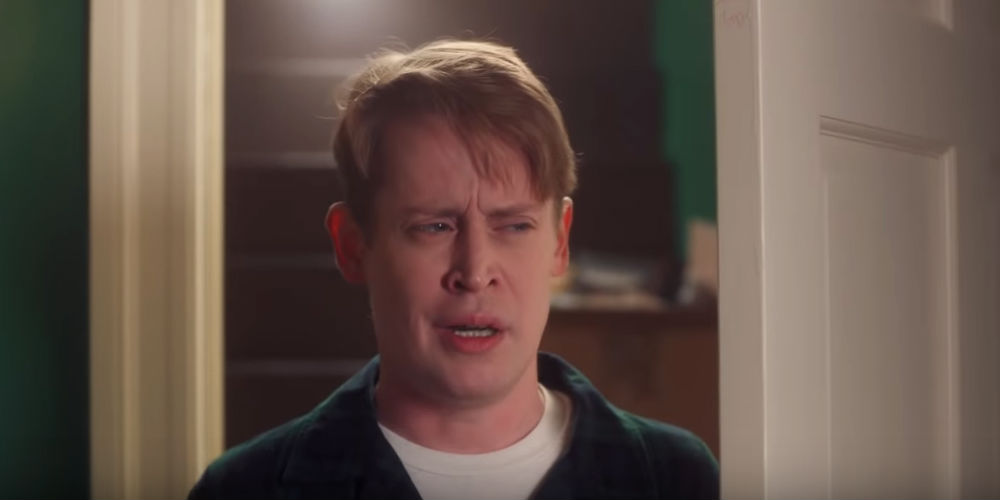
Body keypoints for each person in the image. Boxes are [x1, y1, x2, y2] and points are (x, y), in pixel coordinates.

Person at [188, 39, 718, 500]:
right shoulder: (246, 489)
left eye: (514, 226)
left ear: (559, 242)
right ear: (352, 245)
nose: (475, 271)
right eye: (434, 226)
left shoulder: (675, 480)